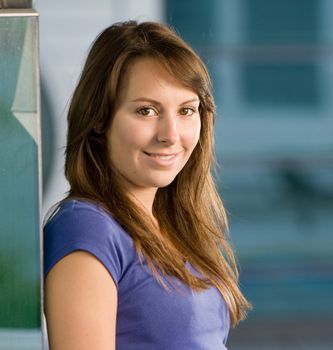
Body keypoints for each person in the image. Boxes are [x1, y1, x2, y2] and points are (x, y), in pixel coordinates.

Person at [44, 21, 251, 349]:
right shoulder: (87, 228)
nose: (170, 135)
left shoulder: (171, 225)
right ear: (101, 118)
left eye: (186, 110)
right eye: (147, 111)